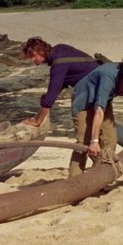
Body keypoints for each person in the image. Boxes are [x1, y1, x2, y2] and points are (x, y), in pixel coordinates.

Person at [21, 37, 102, 177]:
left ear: (41, 51)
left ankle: (76, 177)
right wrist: (48, 96)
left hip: (89, 94)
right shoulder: (61, 49)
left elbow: (52, 96)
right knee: (106, 137)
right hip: (102, 91)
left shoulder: (58, 63)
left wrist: (38, 120)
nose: (33, 61)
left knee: (82, 139)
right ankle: (101, 170)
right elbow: (63, 81)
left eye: (33, 56)